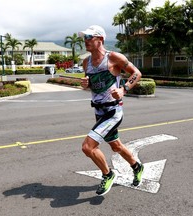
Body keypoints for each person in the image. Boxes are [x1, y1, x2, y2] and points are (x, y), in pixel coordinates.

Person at [78, 25, 144, 196]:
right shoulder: (86, 62)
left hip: (113, 111)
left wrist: (124, 89)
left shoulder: (113, 57)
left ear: (100, 39)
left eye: (89, 37)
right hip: (99, 112)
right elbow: (93, 85)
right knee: (116, 146)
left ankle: (108, 174)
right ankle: (137, 166)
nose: (86, 41)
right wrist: (86, 85)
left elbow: (136, 73)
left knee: (88, 147)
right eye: (84, 38)